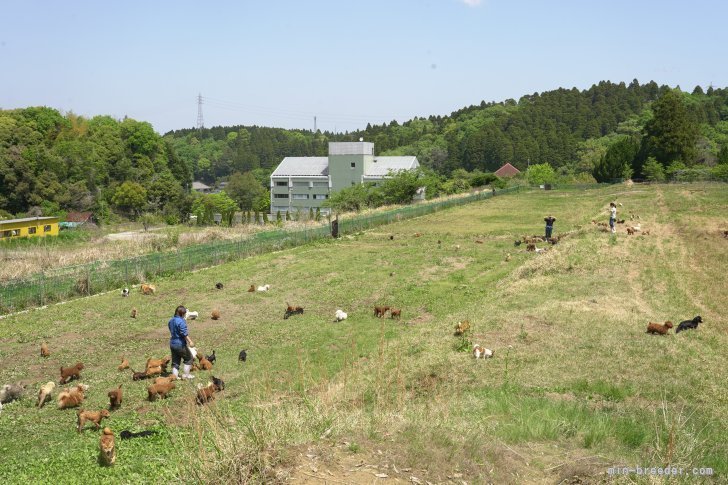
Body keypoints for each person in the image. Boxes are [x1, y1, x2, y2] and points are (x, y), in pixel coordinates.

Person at [168, 305, 195, 379]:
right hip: (180, 344)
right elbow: (184, 333)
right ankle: (186, 375)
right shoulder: (181, 321)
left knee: (175, 361)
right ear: (181, 314)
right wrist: (190, 341)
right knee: (189, 358)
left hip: (172, 343)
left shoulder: (170, 321)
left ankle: (175, 376)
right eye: (184, 314)